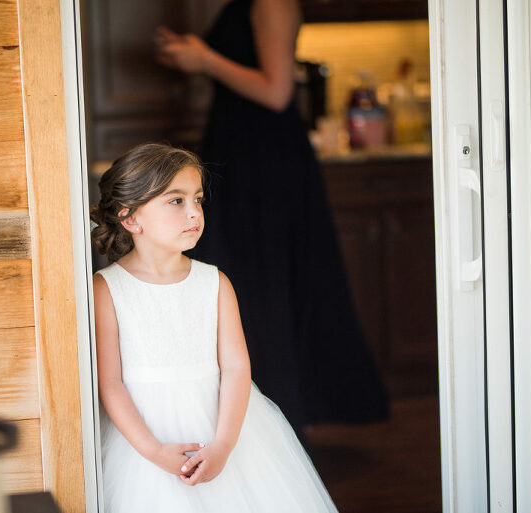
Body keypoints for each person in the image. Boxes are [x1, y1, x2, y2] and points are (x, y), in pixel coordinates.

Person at [155, 0, 388, 430]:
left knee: (261, 284)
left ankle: (273, 418)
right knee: (246, 282)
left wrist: (206, 60)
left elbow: (277, 91)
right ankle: (250, 413)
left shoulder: (272, 2)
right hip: (242, 154)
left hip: (264, 164)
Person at [90, 143, 338, 512]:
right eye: (176, 201)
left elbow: (236, 367)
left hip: (220, 431)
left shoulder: (214, 283)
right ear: (130, 219)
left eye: (198, 199)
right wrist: (154, 451)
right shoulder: (107, 289)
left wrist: (223, 446)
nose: (194, 212)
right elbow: (110, 382)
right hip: (143, 442)